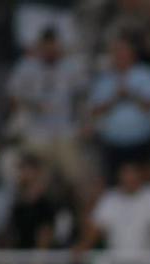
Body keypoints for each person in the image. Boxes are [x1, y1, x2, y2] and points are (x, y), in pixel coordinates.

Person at [7, 27, 91, 191]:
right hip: (36, 132)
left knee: (76, 177)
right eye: (46, 48)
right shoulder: (26, 67)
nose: (50, 52)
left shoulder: (71, 67)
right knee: (33, 178)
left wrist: (84, 122)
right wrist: (32, 106)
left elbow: (82, 97)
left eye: (53, 48)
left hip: (65, 130)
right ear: (40, 47)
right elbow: (13, 97)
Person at [86, 36, 150, 178]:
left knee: (146, 182)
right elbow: (94, 111)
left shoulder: (147, 74)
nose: (120, 55)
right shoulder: (104, 79)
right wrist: (115, 98)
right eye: (116, 52)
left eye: (123, 51)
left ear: (132, 53)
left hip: (144, 141)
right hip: (112, 144)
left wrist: (131, 94)